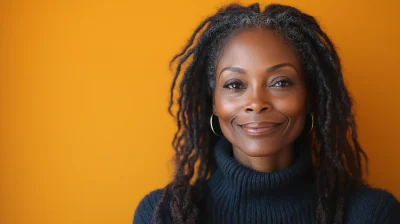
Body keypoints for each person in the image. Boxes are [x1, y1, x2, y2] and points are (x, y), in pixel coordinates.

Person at [133, 3, 400, 224]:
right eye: (235, 85)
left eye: (280, 82)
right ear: (214, 102)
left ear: (308, 98)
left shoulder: (369, 214)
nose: (256, 102)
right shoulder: (164, 214)